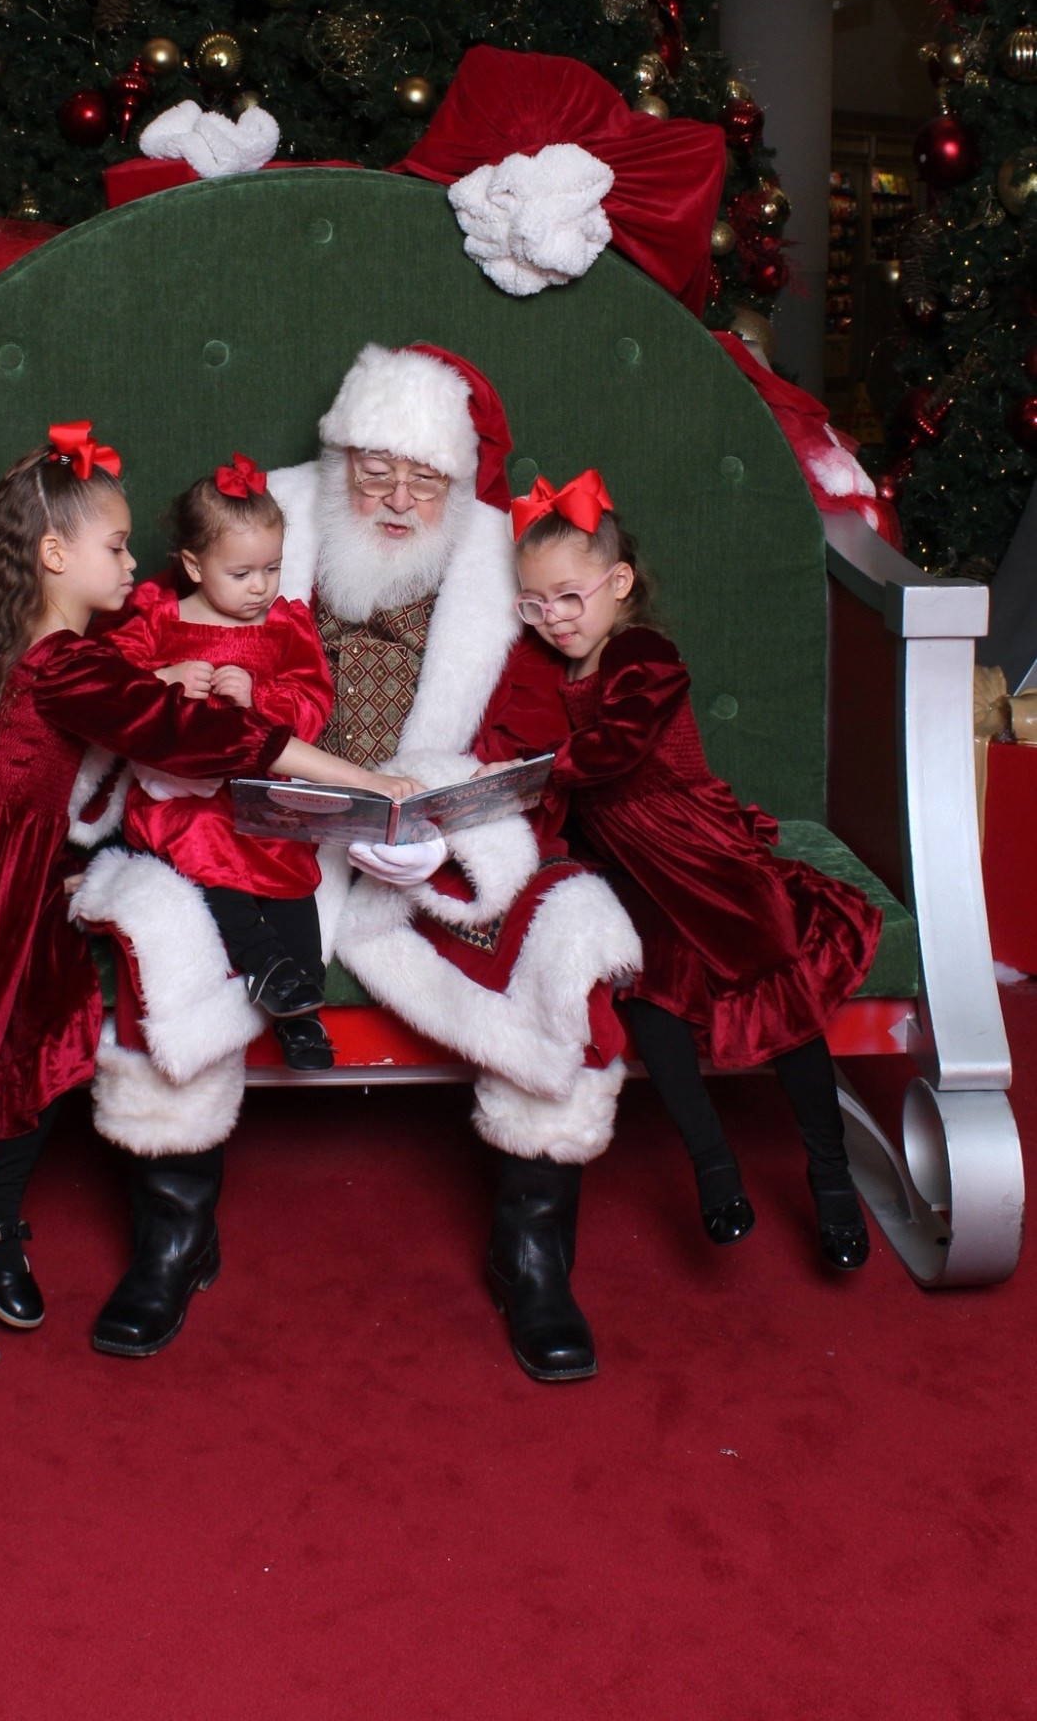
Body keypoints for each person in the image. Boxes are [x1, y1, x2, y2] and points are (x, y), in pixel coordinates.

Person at [0, 422, 417, 1376]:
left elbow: (106, 706)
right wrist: (369, 785)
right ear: (53, 555)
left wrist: (158, 675)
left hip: (12, 868)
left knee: (48, 1031)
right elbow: (205, 739)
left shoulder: (54, 647)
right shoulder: (68, 665)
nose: (133, 563)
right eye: (115, 547)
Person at [73, 345, 642, 1380]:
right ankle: (173, 1230)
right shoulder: (260, 528)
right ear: (337, 459)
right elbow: (141, 668)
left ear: (456, 483)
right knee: (160, 924)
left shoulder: (490, 565)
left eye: (421, 477)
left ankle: (531, 1251)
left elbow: (534, 725)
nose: (393, 496)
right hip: (252, 829)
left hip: (416, 849)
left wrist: (447, 800)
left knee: (564, 930)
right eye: (373, 468)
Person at [503, 469, 881, 1269]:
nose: (553, 620)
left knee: (777, 992)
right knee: (647, 996)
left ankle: (831, 1177)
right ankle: (713, 1168)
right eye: (533, 604)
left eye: (568, 598)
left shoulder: (641, 652)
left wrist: (541, 771)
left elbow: (619, 745)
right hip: (629, 872)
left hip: (696, 850)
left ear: (618, 583)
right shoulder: (551, 673)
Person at [108, 455, 337, 1072]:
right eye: (241, 573)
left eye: (272, 569)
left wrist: (260, 697)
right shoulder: (161, 618)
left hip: (262, 792)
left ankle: (303, 1010)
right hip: (181, 797)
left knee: (292, 869)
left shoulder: (286, 626)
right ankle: (265, 963)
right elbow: (105, 687)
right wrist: (165, 677)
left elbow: (315, 705)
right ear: (192, 565)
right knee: (204, 840)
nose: (260, 587)